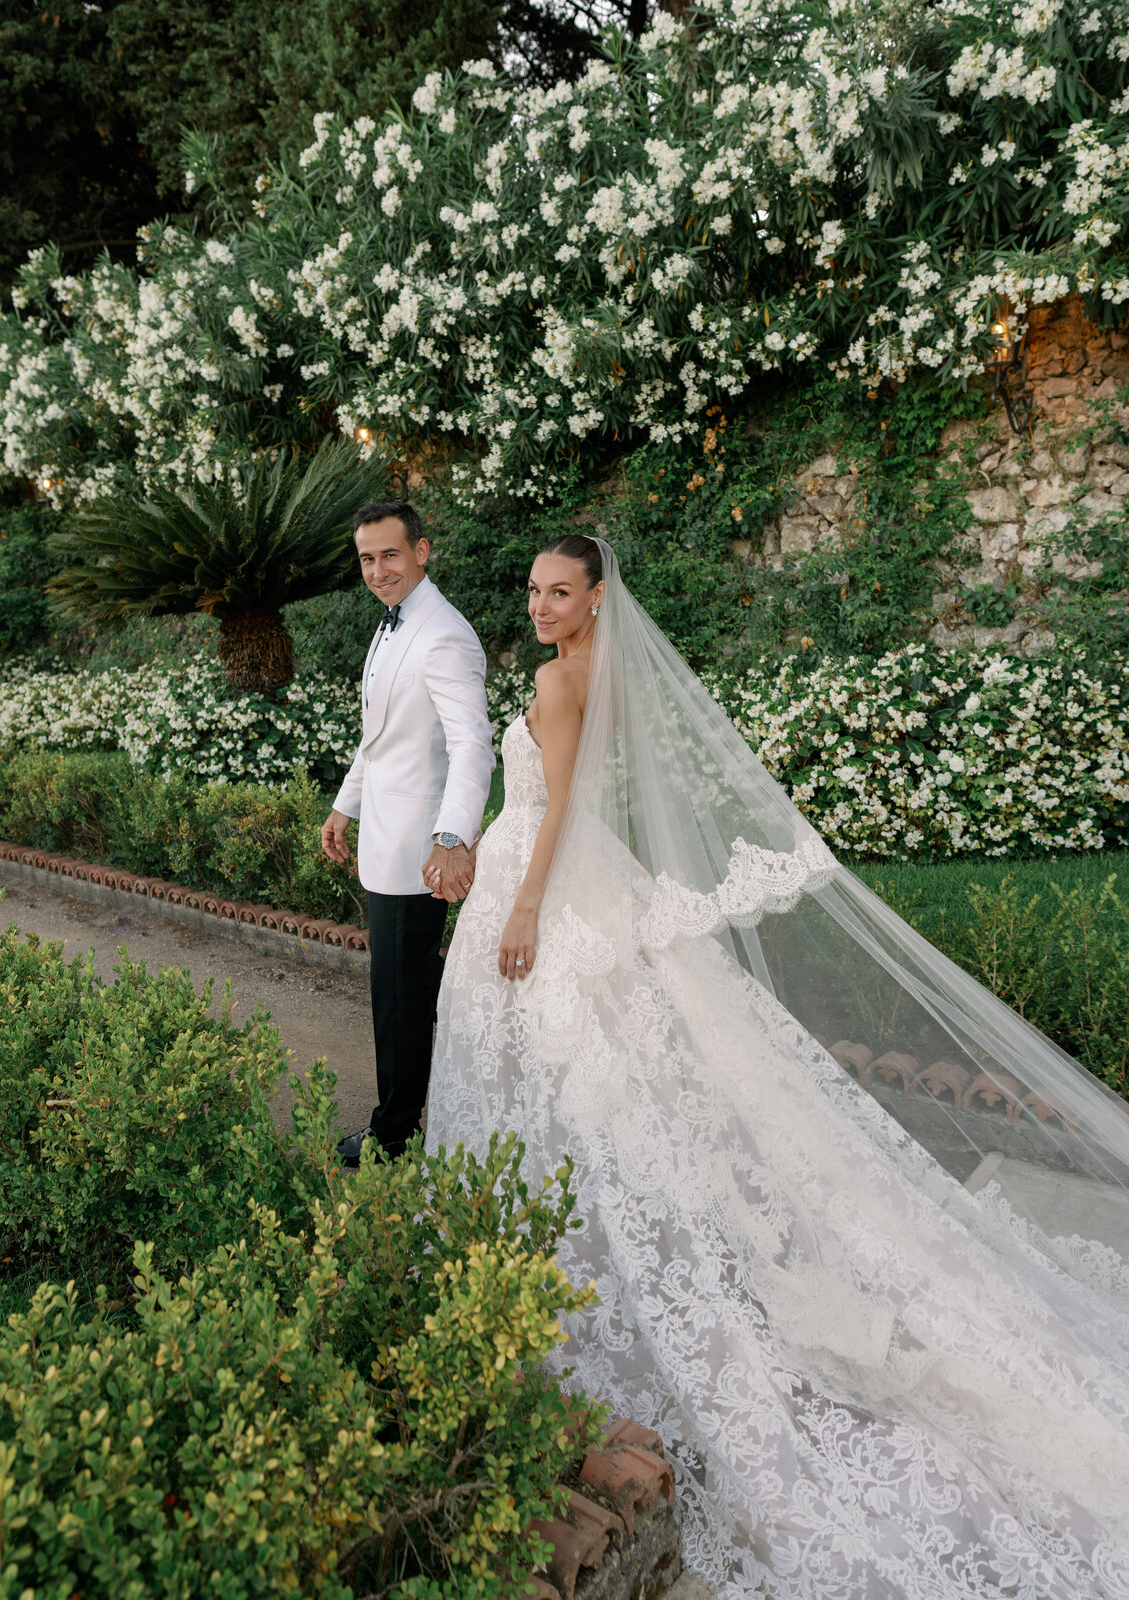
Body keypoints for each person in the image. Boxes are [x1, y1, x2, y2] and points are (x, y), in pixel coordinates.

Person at [426, 532, 1129, 1599]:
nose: (539, 605)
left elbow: (560, 806)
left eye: (558, 591)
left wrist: (522, 906)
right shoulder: (586, 667)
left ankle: (561, 1252)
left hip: (543, 881)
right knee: (581, 1078)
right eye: (532, 590)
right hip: (550, 876)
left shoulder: (561, 680)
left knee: (575, 1078)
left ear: (596, 597)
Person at [323, 499, 494, 1166]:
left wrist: (451, 839)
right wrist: (346, 807)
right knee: (401, 993)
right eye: (366, 558)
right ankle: (413, 1118)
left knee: (401, 1001)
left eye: (389, 554)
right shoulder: (394, 624)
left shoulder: (444, 634)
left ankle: (393, 1135)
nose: (376, 570)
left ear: (422, 551)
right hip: (383, 842)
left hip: (419, 854)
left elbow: (472, 745)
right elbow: (380, 739)